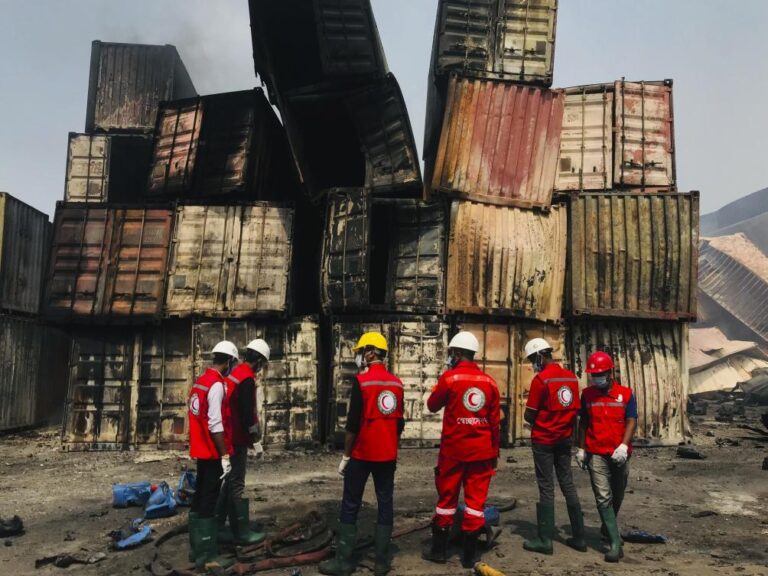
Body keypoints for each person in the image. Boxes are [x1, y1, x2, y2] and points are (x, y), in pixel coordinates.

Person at [319, 332, 405, 576]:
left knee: (351, 503)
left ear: (370, 352)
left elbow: (352, 426)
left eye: (361, 352)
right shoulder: (397, 384)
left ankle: (343, 562)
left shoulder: (362, 382)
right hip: (387, 456)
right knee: (385, 502)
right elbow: (399, 424)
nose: (359, 357)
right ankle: (380, 562)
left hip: (362, 454)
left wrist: (346, 456)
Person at [423, 331, 501, 569]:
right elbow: (495, 423)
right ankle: (470, 557)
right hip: (482, 453)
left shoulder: (450, 379)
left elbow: (432, 405)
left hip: (453, 451)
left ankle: (439, 551)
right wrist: (495, 453)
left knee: (446, 500)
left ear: (456, 353)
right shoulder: (490, 382)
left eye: (450, 353)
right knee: (476, 504)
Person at [521, 338, 585, 555]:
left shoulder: (541, 381)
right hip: (564, 439)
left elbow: (530, 414)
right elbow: (574, 412)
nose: (532, 364)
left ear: (539, 356)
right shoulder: (571, 378)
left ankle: (545, 541)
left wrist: (538, 419)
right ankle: (579, 537)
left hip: (544, 441)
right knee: (568, 483)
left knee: (546, 487)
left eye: (532, 359)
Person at [576, 351, 637, 563]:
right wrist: (581, 449)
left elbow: (631, 421)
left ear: (610, 372)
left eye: (600, 373)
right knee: (603, 496)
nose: (597, 377)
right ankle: (614, 543)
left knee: (617, 494)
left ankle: (606, 527)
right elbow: (583, 423)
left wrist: (623, 445)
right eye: (594, 374)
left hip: (619, 453)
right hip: (596, 453)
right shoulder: (587, 395)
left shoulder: (626, 394)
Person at [187, 340, 238, 569]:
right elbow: (215, 424)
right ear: (228, 362)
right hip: (212, 450)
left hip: (201, 449)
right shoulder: (216, 385)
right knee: (209, 498)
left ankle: (196, 549)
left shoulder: (201, 382)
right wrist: (225, 456)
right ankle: (206, 557)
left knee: (199, 496)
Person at [218, 338, 271, 545]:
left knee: (228, 482)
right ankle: (241, 532)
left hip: (229, 434)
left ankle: (218, 525)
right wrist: (255, 440)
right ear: (257, 360)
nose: (261, 368)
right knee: (237, 484)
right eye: (262, 363)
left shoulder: (234, 373)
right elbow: (248, 414)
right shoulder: (247, 379)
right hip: (237, 438)